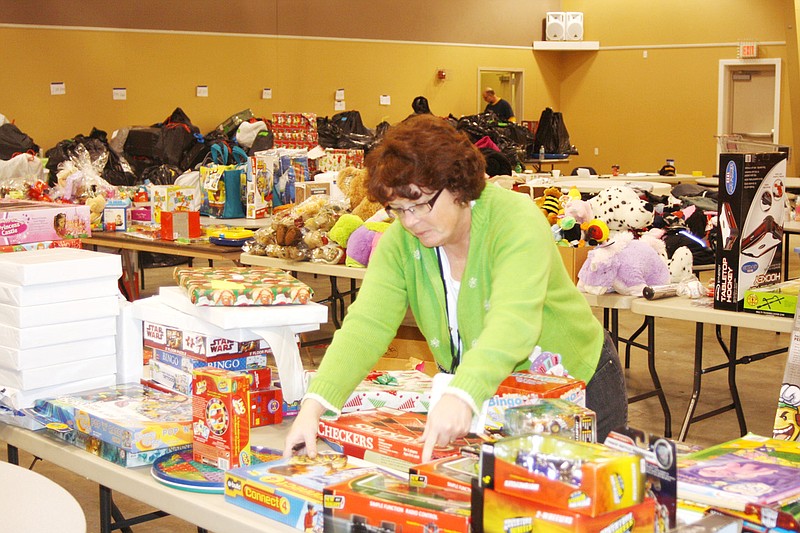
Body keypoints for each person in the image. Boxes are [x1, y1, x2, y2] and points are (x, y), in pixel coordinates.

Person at [283, 114, 626, 463]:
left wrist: (464, 394)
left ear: (458, 186)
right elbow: (366, 324)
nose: (410, 221)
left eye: (420, 204)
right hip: (491, 394)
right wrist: (315, 404)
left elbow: (514, 319)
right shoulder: (401, 243)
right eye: (398, 210)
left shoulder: (514, 220)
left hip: (576, 387)